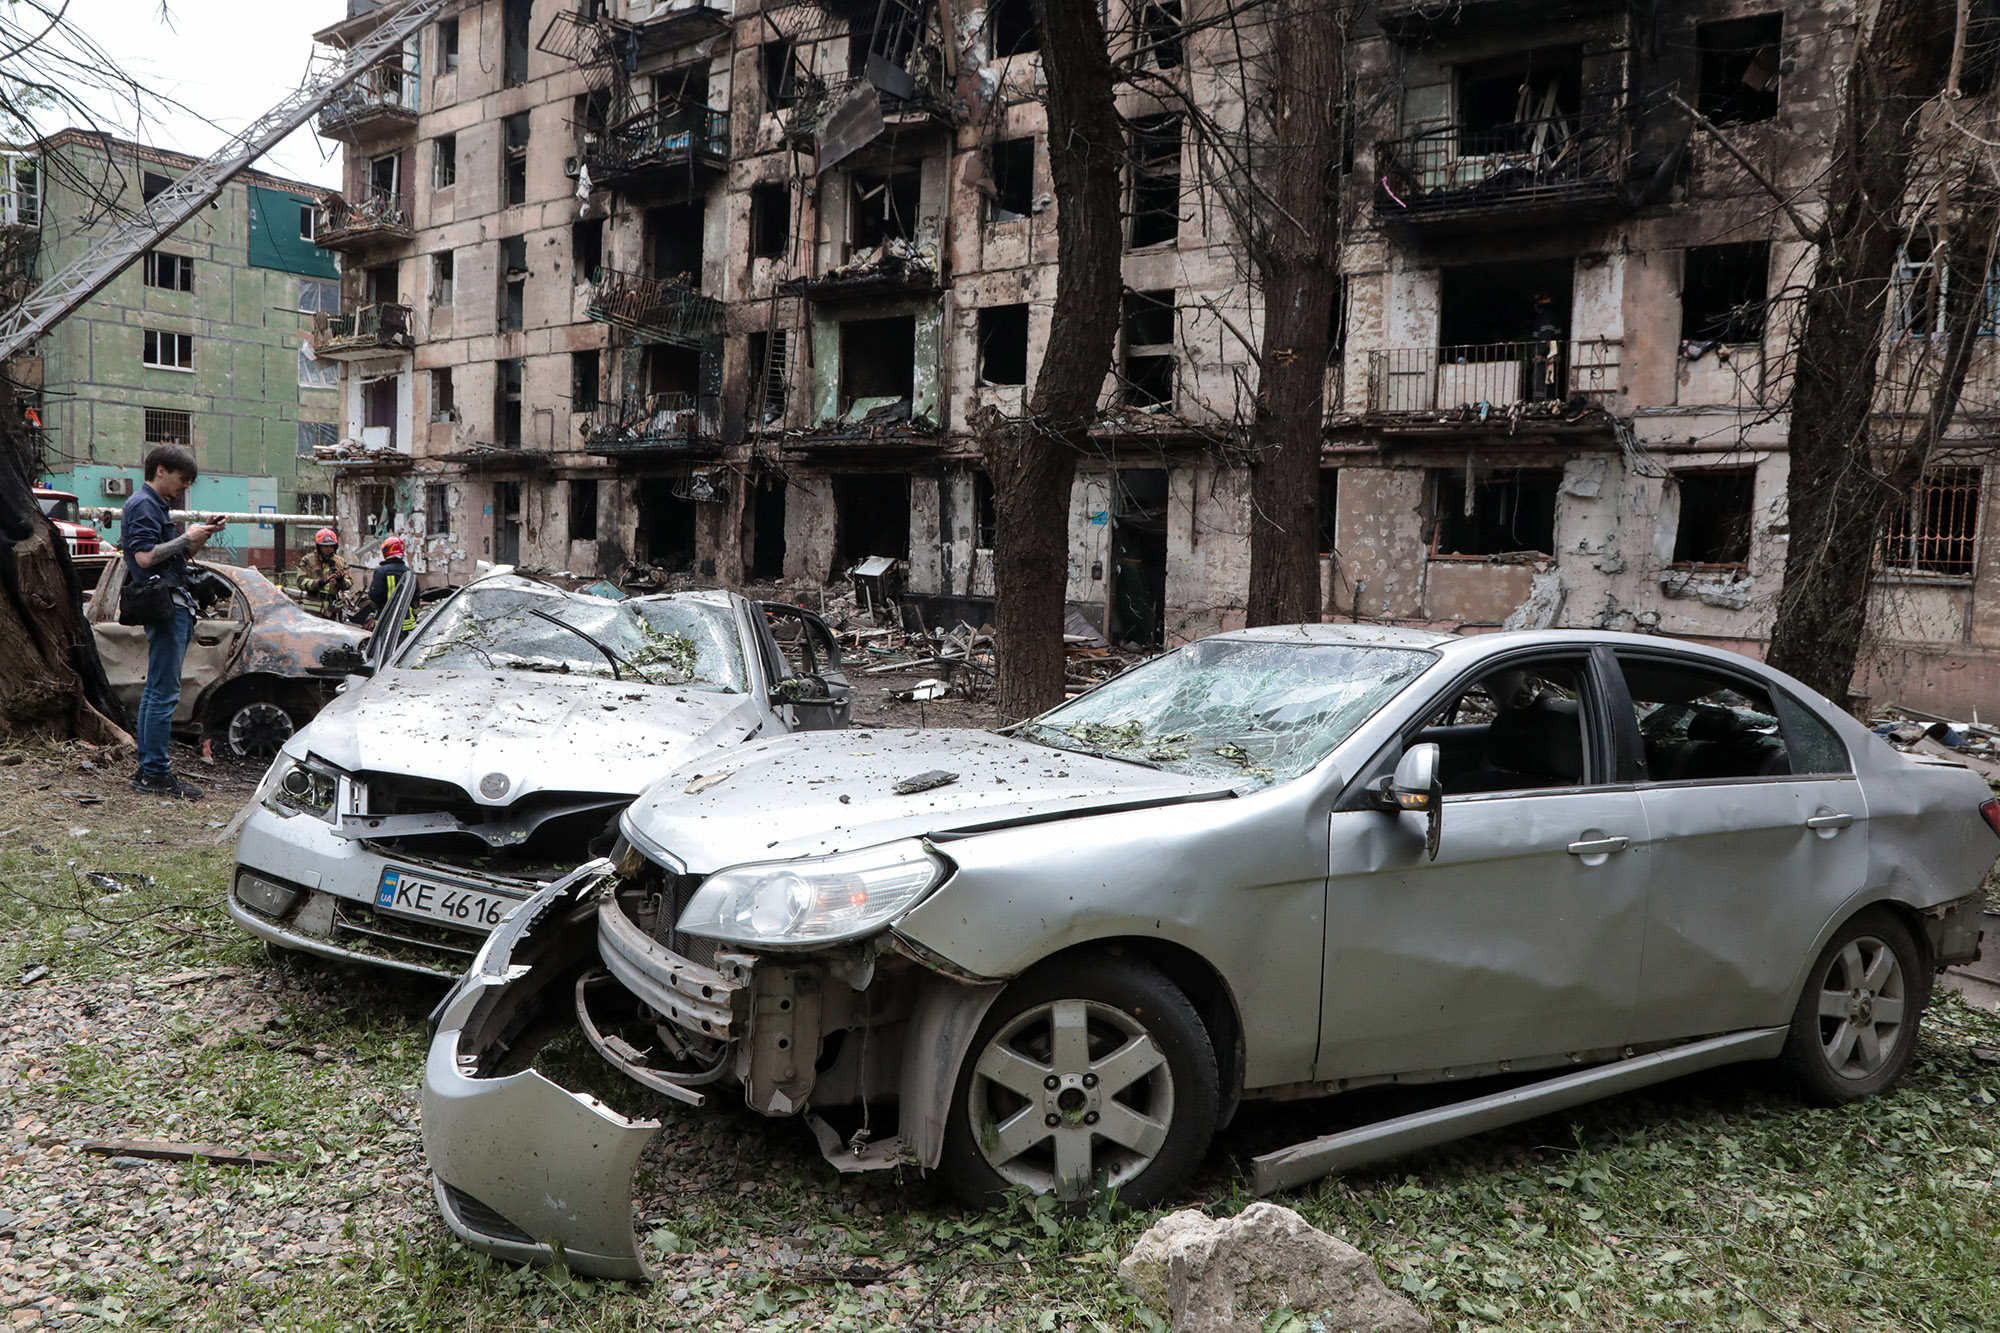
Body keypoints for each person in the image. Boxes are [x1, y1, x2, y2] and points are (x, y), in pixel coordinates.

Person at [120, 444, 225, 799]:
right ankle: (155, 774)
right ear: (161, 470)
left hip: (171, 602)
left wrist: (200, 536)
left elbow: (173, 556)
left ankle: (150, 767)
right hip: (165, 605)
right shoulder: (143, 505)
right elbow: (145, 558)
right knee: (163, 694)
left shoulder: (157, 506)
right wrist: (186, 536)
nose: (185, 487)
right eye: (183, 480)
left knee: (157, 693)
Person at [295, 528, 352, 619]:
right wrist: (321, 582)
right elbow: (300, 582)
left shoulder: (340, 562)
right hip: (313, 610)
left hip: (333, 610)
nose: (329, 549)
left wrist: (341, 580)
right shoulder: (307, 561)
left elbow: (349, 584)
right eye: (325, 546)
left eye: (331, 546)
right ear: (318, 546)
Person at [367, 535, 419, 633]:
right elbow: (415, 599)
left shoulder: (381, 572)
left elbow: (374, 595)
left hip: (385, 621)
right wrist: (415, 614)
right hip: (406, 623)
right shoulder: (410, 573)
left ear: (385, 551)